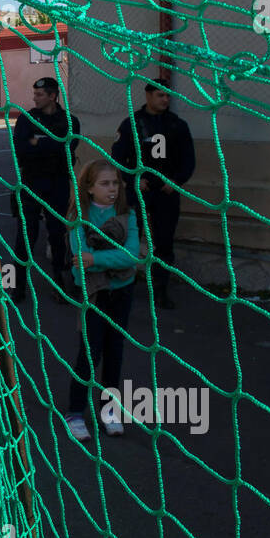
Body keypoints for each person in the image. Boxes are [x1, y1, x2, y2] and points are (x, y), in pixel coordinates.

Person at [65, 160, 140, 443]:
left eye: (115, 183)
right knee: (90, 352)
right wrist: (101, 261)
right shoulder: (80, 218)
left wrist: (96, 259)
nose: (112, 188)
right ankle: (74, 412)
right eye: (104, 183)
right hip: (94, 294)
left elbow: (132, 256)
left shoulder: (127, 216)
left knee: (115, 353)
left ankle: (109, 410)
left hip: (122, 291)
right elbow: (78, 262)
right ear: (89, 188)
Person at [111, 80, 195, 309]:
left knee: (164, 242)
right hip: (139, 191)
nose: (165, 100)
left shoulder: (177, 125)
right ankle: (121, 286)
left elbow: (188, 160)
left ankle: (160, 291)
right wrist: (133, 179)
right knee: (129, 238)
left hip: (167, 193)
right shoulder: (132, 124)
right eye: (160, 95)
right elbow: (118, 157)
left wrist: (176, 181)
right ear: (148, 96)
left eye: (167, 96)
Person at [11, 77, 81, 301]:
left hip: (57, 184)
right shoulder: (26, 119)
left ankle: (59, 284)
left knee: (57, 235)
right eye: (35, 93)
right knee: (25, 235)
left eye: (40, 94)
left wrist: (38, 144)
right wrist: (51, 145)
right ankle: (18, 286)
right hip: (30, 183)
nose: (34, 98)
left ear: (52, 96)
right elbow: (20, 149)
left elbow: (67, 148)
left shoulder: (69, 121)